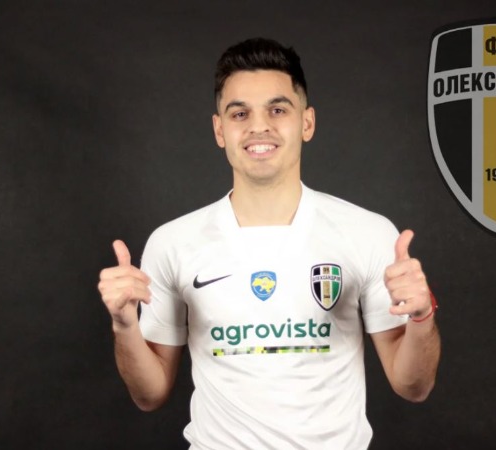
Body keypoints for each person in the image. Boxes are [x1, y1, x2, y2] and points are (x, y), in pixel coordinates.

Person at [98, 37, 440, 449]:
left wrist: (421, 317)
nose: (258, 126)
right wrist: (124, 326)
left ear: (307, 123)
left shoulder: (367, 232)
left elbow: (413, 386)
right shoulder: (173, 242)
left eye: (277, 110)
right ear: (219, 130)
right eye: (239, 113)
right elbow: (149, 394)